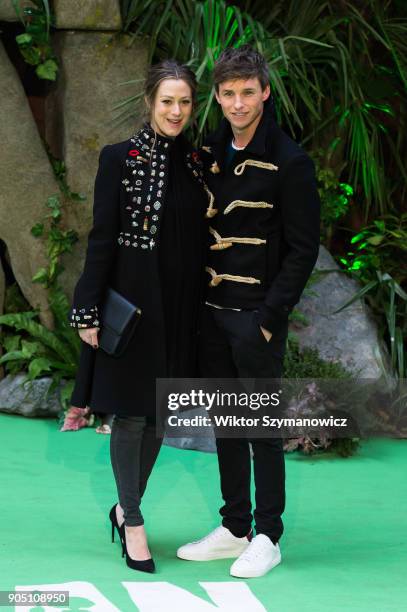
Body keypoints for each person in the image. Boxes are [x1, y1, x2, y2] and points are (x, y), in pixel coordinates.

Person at [177, 46, 320, 578]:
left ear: (265, 92)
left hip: (255, 316)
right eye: (228, 93)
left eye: (247, 92)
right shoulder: (210, 150)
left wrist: (269, 316)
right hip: (211, 313)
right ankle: (235, 525)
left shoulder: (291, 160)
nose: (238, 103)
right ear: (218, 96)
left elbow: (304, 248)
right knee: (226, 423)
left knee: (260, 425)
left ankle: (268, 534)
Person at [69, 60, 209, 573]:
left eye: (185, 102)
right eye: (167, 100)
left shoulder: (198, 162)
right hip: (135, 306)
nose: (176, 111)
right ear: (150, 102)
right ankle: (132, 518)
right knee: (131, 414)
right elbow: (102, 238)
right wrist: (86, 307)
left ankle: (125, 506)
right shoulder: (119, 159)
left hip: (182, 308)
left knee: (158, 414)